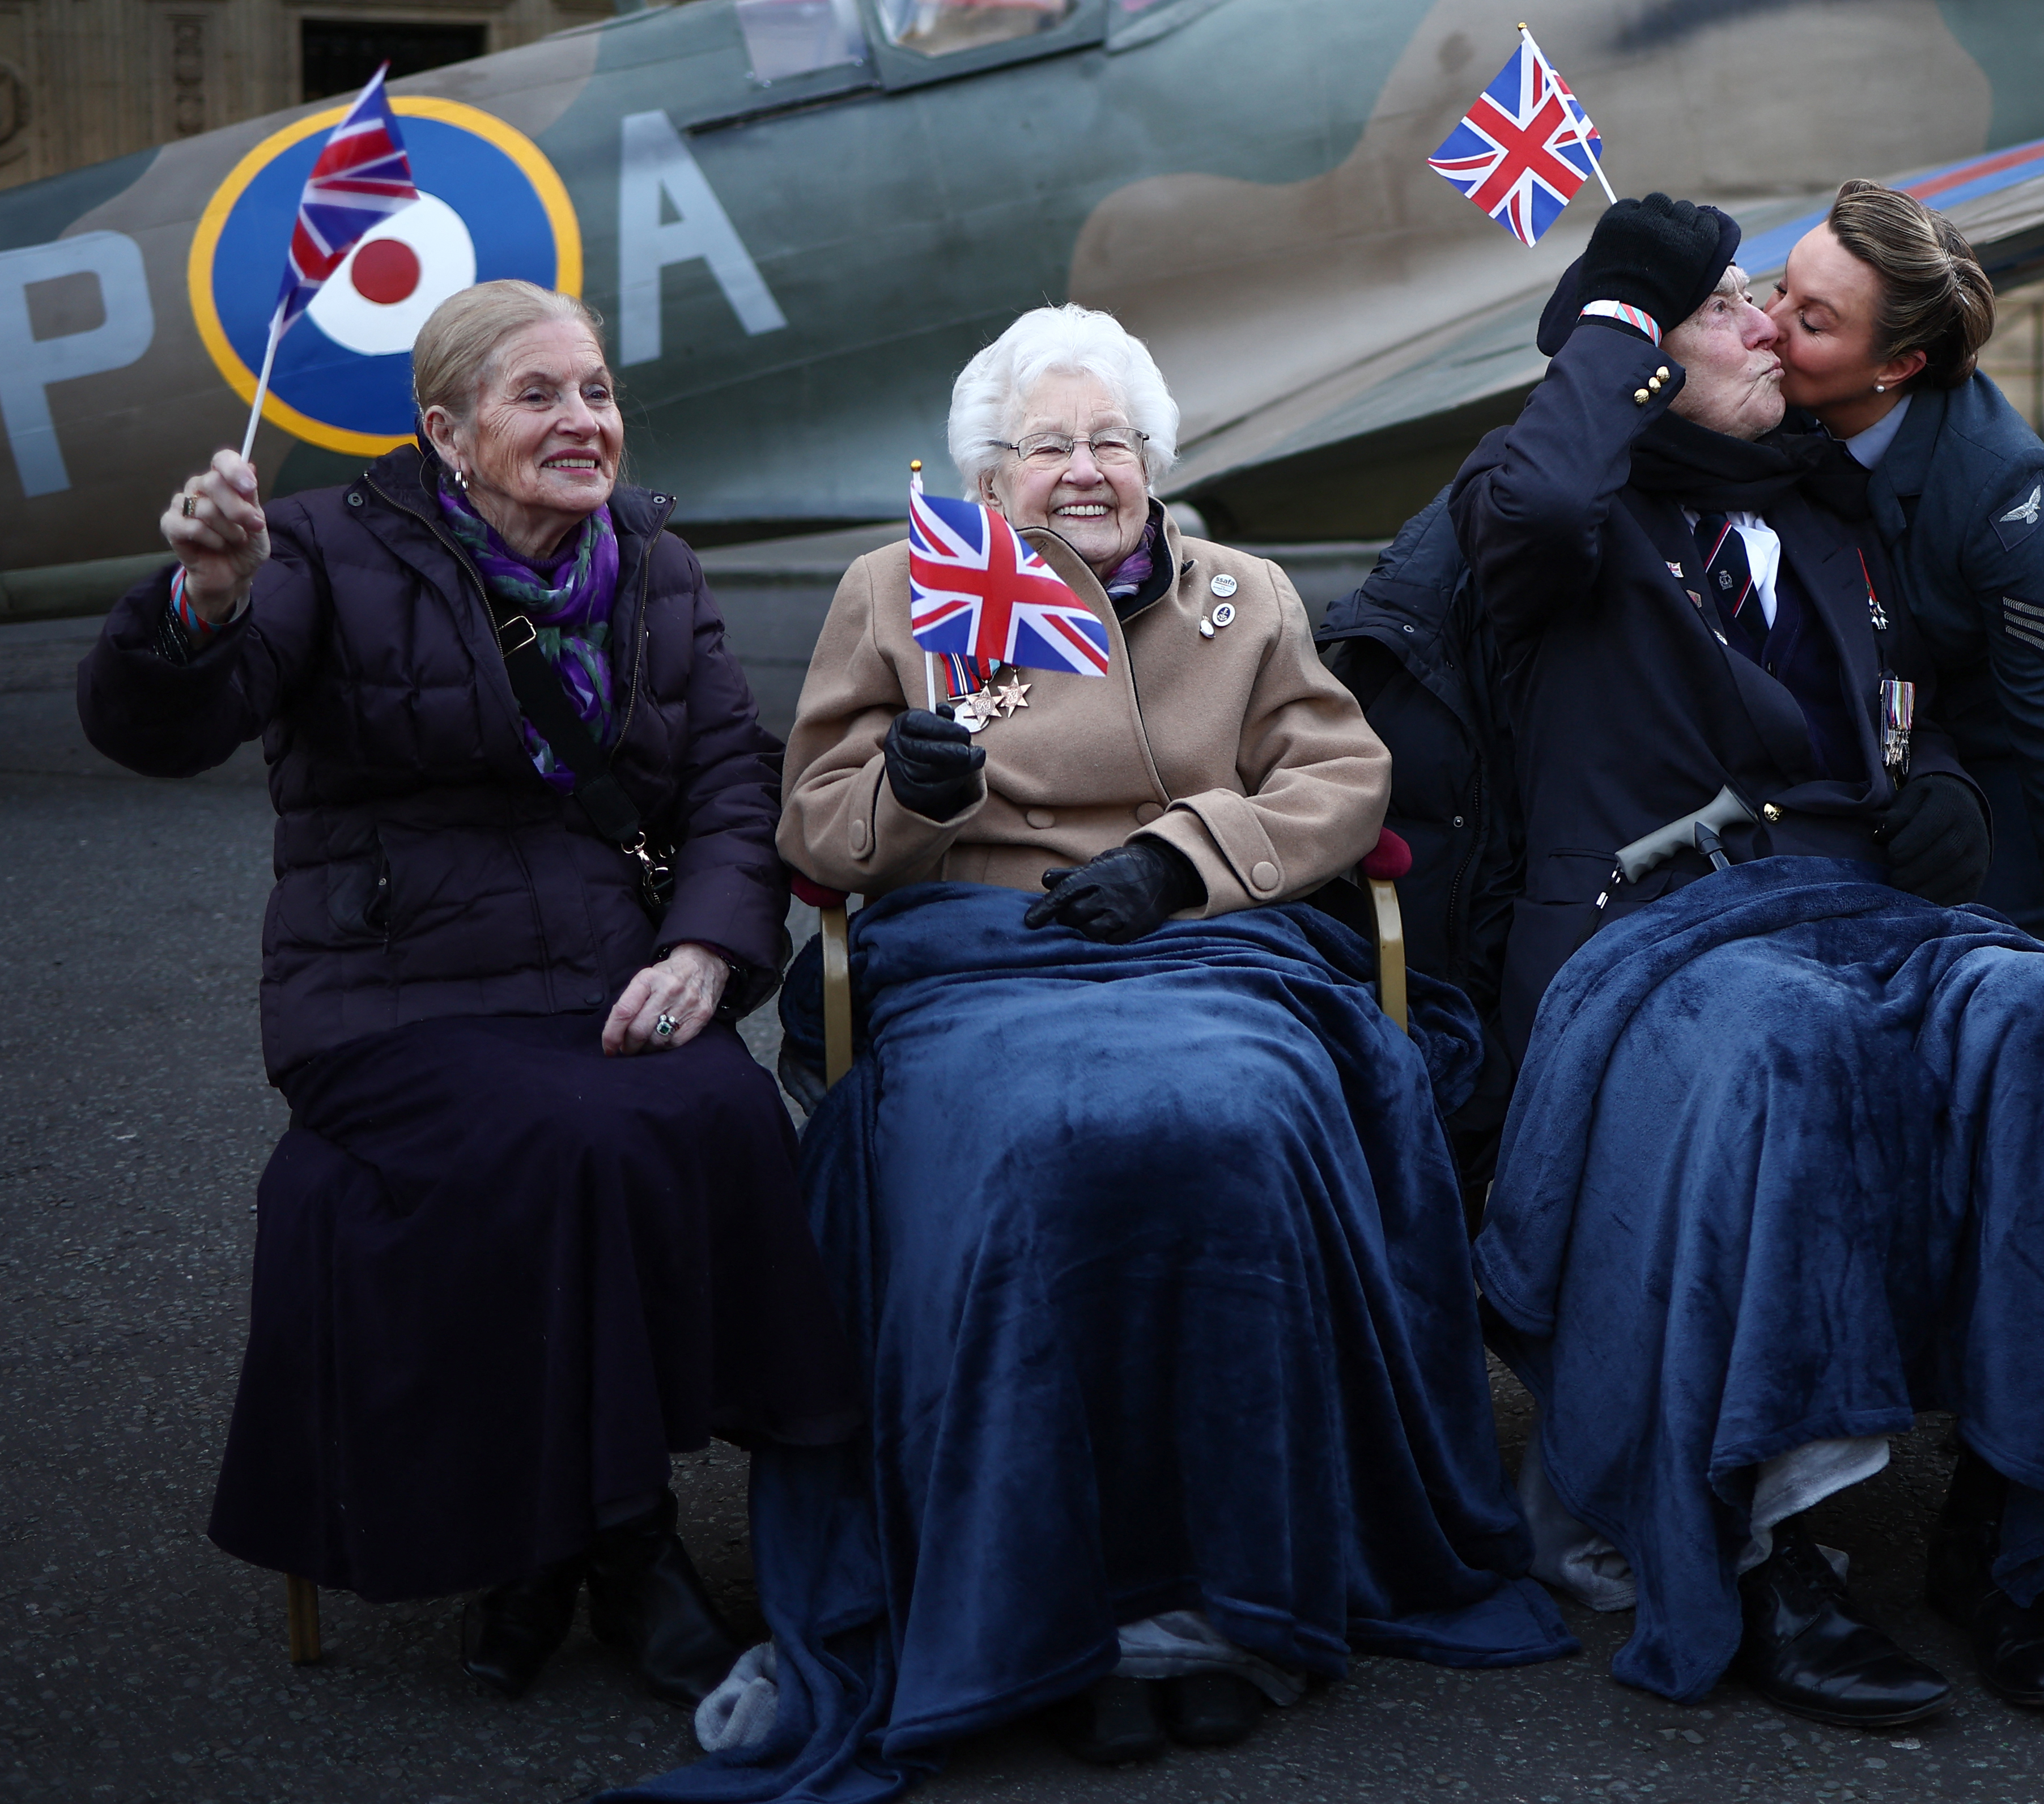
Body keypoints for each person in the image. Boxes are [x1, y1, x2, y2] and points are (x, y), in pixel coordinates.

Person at [630, 305, 1568, 1798]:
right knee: (1019, 1153)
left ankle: (1203, 1608)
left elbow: (1340, 780)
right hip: (977, 962)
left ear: (1156, 462)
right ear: (988, 475)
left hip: (1203, 952)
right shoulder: (899, 590)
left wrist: (1186, 859)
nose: (1085, 469)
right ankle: (1055, 1614)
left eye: (1112, 442)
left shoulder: (1241, 595)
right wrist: (913, 791)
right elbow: (813, 825)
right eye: (1048, 444)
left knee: (1239, 1129)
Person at [1455, 195, 2044, 1728]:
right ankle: (1764, 1543)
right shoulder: (1562, 520)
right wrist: (1610, 312)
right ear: (1640, 366)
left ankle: (2014, 1517)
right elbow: (1532, 505)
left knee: (2032, 1010)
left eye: (1782, 310)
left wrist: (1955, 812)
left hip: (1849, 915)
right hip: (1649, 940)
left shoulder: (1843, 515)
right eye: (1726, 309)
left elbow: (2021, 697)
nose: (1761, 330)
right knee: (1791, 1035)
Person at [75, 280, 857, 1706]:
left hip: (609, 974)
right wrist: (203, 601)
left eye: (598, 392)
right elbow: (160, 724)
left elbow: (736, 781)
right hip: (391, 992)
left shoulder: (655, 569)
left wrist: (702, 953)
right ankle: (621, 1543)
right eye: (538, 395)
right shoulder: (315, 547)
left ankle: (544, 1550)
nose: (583, 421)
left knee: (723, 1113)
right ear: (445, 431)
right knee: (563, 1143)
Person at [1769, 180, 2044, 1010]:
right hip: (1929, 716)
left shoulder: (2001, 491)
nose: (1771, 325)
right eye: (1780, 291)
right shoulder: (1795, 403)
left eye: (1813, 320)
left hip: (2039, 728)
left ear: (1899, 366)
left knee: (1982, 968)